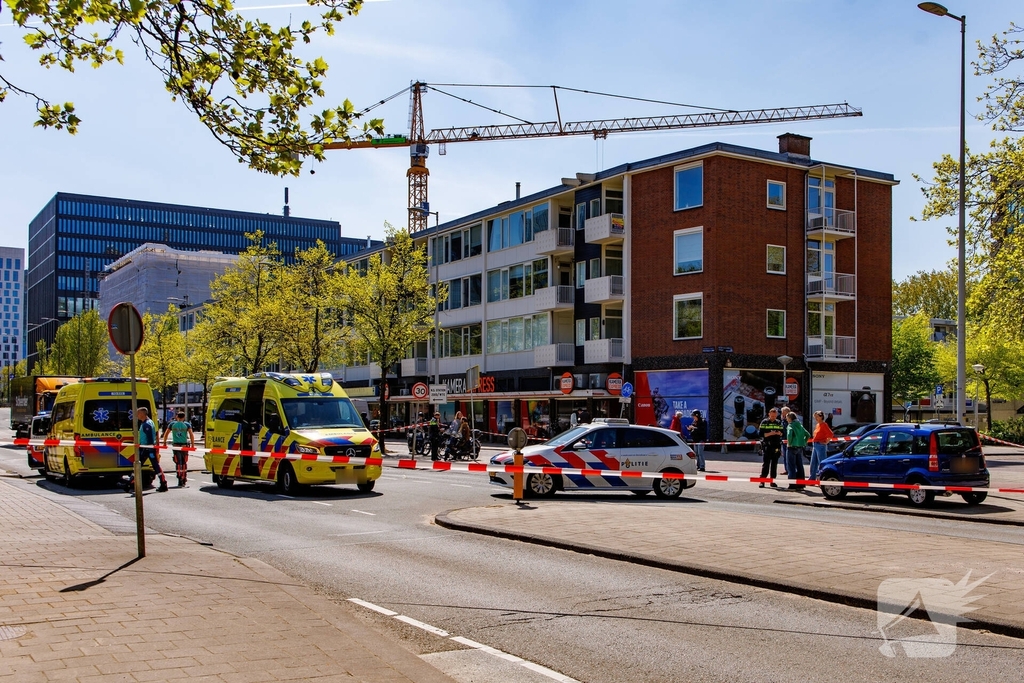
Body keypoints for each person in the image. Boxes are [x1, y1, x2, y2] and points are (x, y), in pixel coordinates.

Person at [122, 407, 168, 494]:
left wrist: (148, 448)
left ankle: (129, 484)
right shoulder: (148, 422)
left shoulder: (146, 424)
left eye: (138, 413)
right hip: (147, 448)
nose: (136, 415)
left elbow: (150, 438)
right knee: (153, 466)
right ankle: (163, 483)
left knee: (141, 466)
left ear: (142, 414)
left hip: (147, 449)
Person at [161, 410, 194, 487]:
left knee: (178, 462)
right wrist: (192, 445)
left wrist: (164, 443)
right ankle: (184, 477)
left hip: (176, 446)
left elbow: (166, 434)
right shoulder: (187, 424)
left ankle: (179, 477)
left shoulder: (172, 424)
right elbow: (191, 435)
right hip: (184, 446)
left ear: (177, 417)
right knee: (184, 462)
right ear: (184, 417)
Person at [758, 407, 785, 488]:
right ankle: (762, 481)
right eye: (772, 416)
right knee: (766, 464)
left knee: (774, 465)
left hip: (776, 446)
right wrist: (771, 433)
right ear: (769, 414)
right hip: (767, 446)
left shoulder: (779, 422)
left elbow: (782, 434)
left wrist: (779, 433)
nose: (773, 417)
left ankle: (772, 481)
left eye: (775, 416)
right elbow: (761, 434)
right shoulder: (765, 422)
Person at [785, 411, 808, 490]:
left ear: (790, 418)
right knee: (800, 466)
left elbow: (789, 434)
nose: (786, 419)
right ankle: (801, 485)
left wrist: (789, 443)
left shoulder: (790, 425)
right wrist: (804, 442)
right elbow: (808, 434)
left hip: (792, 447)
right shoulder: (800, 425)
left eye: (787, 418)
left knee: (791, 466)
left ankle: (792, 485)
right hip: (800, 447)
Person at [808, 410, 834, 481]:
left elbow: (830, 434)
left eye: (817, 417)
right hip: (815, 444)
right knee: (813, 463)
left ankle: (823, 478)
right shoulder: (817, 425)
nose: (816, 418)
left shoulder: (824, 424)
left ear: (821, 417)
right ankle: (812, 478)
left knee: (822, 462)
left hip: (820, 445)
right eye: (815, 417)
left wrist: (826, 442)